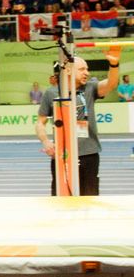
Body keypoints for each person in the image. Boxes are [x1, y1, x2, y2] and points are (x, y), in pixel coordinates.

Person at [35, 46, 121, 196]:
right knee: (61, 197)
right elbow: (40, 123)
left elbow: (111, 84)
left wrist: (114, 64)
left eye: (87, 69)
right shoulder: (52, 93)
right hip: (63, 155)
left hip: (89, 154)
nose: (87, 73)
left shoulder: (90, 88)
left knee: (90, 196)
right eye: (82, 69)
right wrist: (46, 142)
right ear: (68, 70)